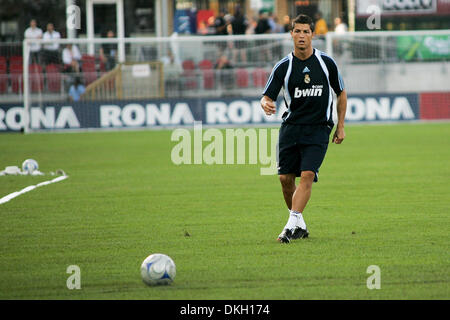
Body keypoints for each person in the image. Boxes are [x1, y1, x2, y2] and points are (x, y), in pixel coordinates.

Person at [260, 14, 347, 243]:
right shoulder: (283, 66)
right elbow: (266, 96)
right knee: (284, 179)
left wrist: (341, 126)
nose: (301, 36)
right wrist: (266, 103)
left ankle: (289, 228)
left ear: (312, 35)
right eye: (297, 31)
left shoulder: (326, 62)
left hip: (318, 129)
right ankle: (300, 225)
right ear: (291, 34)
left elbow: (341, 92)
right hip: (291, 128)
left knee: (307, 174)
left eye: (305, 32)